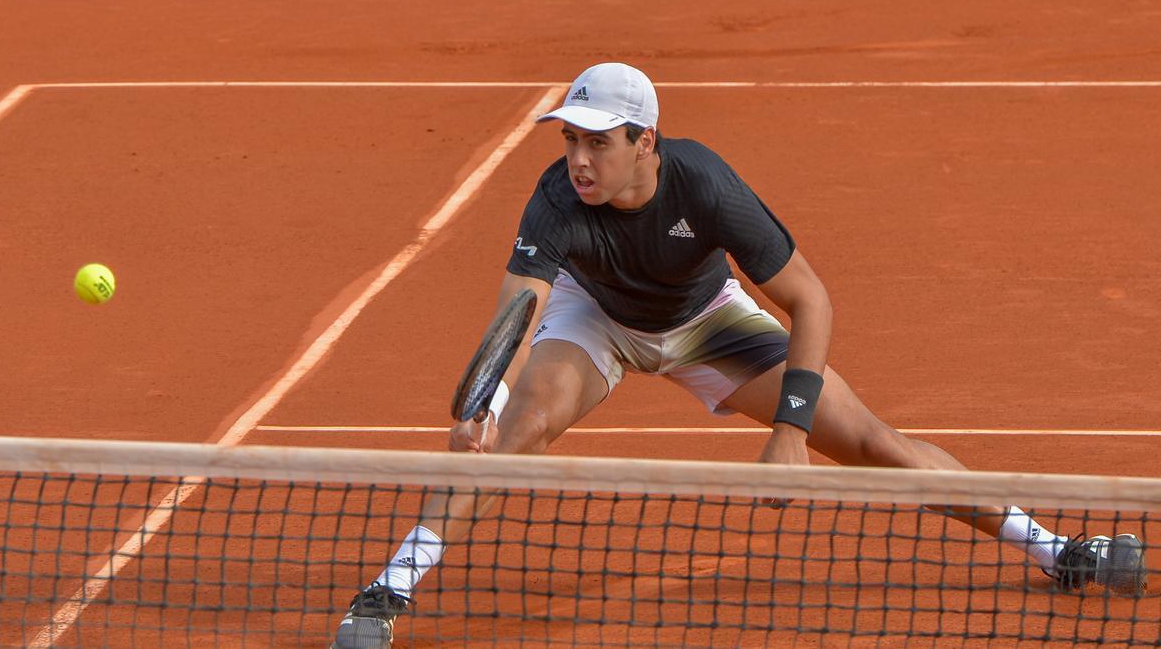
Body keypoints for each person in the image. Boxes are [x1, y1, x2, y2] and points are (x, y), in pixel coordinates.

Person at [332, 62, 1147, 649]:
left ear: (643, 141)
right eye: (570, 140)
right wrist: (486, 406)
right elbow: (522, 310)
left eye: (596, 142)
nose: (578, 159)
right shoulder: (556, 199)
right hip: (601, 317)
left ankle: (1062, 552)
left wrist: (792, 429)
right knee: (523, 431)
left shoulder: (706, 186)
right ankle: (386, 593)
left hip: (706, 317)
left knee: (871, 443)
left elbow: (811, 299)